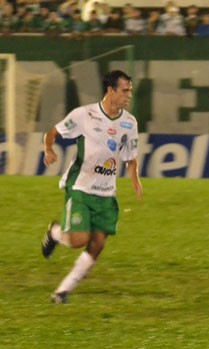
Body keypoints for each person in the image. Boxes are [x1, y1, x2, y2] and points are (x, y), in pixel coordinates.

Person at [40, 70, 142, 304]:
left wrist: (135, 179)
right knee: (77, 240)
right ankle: (55, 232)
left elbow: (130, 156)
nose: (129, 96)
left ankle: (62, 292)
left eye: (130, 91)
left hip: (106, 193)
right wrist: (49, 149)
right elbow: (53, 133)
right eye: (125, 90)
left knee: (97, 244)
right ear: (111, 90)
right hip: (81, 188)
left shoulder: (129, 122)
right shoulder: (85, 115)